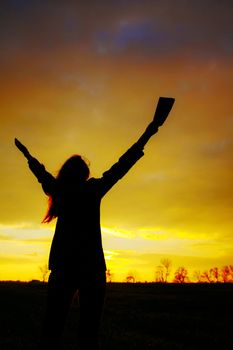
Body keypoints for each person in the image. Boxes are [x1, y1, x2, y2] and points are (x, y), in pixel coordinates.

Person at [15, 98, 174, 349]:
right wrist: (150, 131)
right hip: (91, 269)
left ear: (66, 173)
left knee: (52, 331)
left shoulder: (60, 190)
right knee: (88, 335)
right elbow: (123, 164)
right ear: (85, 175)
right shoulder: (92, 190)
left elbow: (42, 175)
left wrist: (27, 156)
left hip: (65, 268)